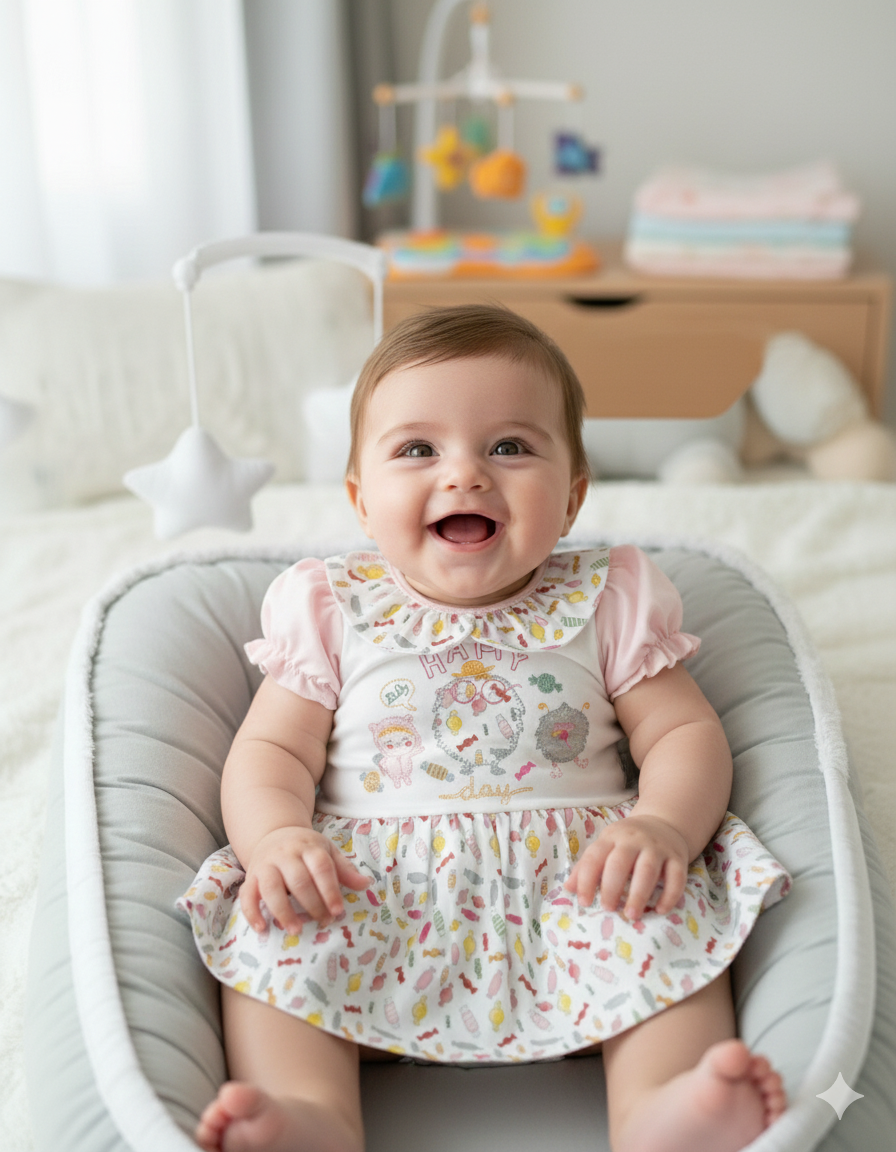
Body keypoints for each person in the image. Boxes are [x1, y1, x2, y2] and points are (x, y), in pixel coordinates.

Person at [178, 304, 791, 1152]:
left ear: (573, 496)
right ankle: (308, 1113)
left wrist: (662, 825)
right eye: (417, 450)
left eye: (510, 447)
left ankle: (663, 1105)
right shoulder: (330, 606)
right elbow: (272, 750)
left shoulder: (609, 598)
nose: (465, 475)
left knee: (659, 912)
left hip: (580, 878)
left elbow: (684, 736)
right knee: (276, 928)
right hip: (374, 885)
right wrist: (276, 837)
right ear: (361, 499)